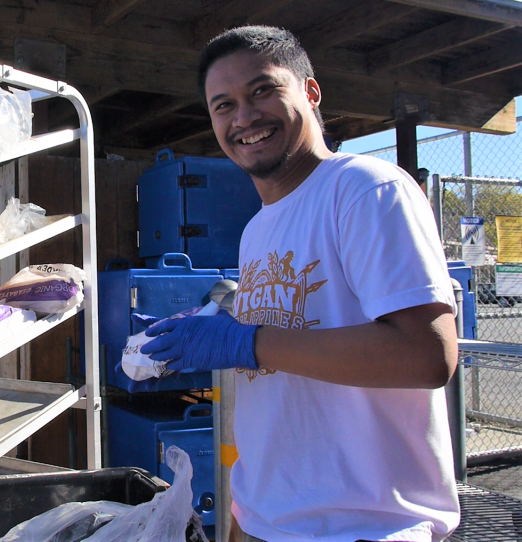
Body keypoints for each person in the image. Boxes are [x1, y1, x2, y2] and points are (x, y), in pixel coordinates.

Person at [139, 26, 460, 541]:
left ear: (310, 93)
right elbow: (281, 372)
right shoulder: (257, 228)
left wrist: (246, 342)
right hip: (270, 521)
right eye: (223, 105)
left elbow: (428, 355)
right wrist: (245, 520)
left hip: (364, 528)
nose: (243, 117)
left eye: (262, 90)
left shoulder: (365, 190)